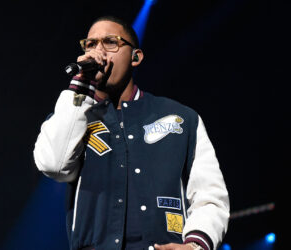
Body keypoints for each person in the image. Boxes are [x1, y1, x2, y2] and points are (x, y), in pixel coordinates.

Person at [33, 16, 230, 250]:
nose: (99, 52)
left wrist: (195, 246)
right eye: (91, 44)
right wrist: (81, 87)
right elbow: (53, 165)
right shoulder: (72, 117)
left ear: (136, 57)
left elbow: (210, 197)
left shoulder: (181, 118)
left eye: (110, 42)